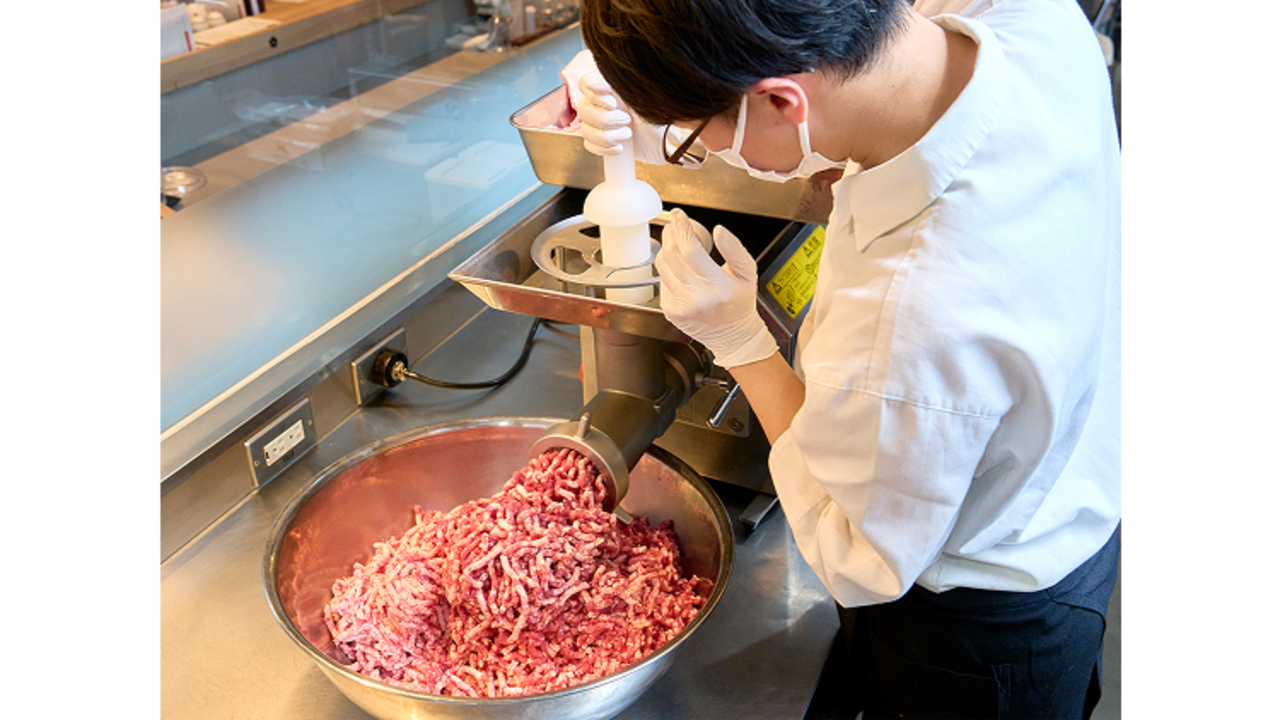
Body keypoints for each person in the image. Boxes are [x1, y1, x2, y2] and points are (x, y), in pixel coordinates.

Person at [566, 0, 1120, 717]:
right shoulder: (1033, 19)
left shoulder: (914, 313)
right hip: (1074, 482)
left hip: (975, 626)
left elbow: (853, 551)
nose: (699, 151)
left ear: (780, 101)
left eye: (691, 136)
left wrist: (741, 342)